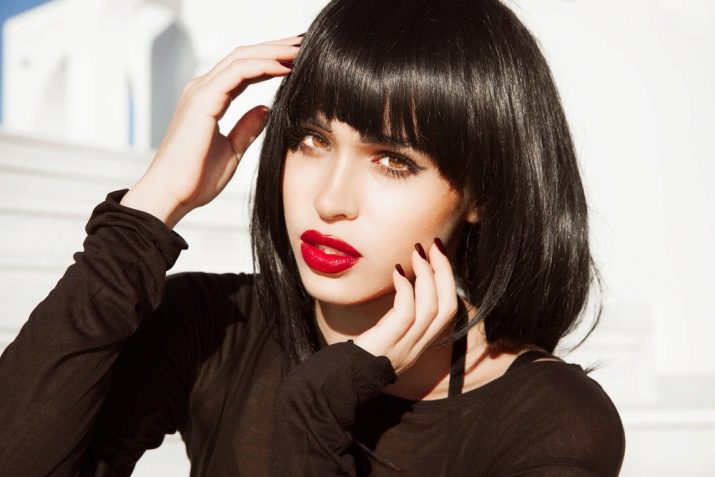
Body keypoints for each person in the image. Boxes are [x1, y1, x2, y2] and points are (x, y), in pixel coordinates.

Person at [0, 0, 626, 475]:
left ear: (481, 194)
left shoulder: (551, 421)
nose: (330, 200)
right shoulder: (214, 329)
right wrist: (152, 205)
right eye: (312, 140)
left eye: (393, 161)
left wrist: (318, 406)